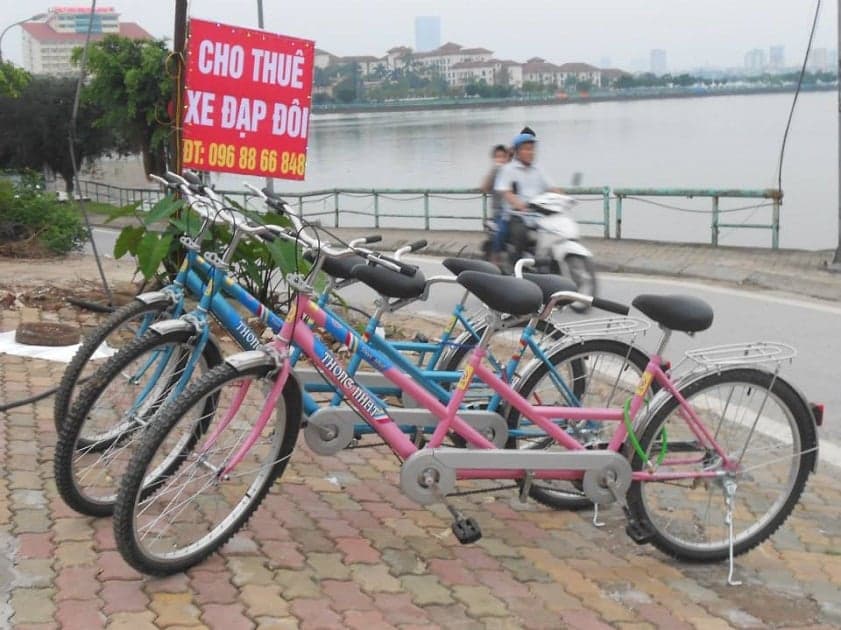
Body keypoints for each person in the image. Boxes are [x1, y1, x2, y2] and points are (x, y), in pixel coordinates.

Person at [492, 128, 562, 263]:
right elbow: (505, 191)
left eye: (532, 149)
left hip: (538, 215)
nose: (531, 152)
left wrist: (564, 199)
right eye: (526, 149)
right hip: (516, 215)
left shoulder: (539, 170)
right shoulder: (508, 170)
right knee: (521, 234)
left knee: (555, 232)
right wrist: (518, 204)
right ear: (517, 152)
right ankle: (515, 265)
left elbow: (552, 187)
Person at [480, 144, 511, 224]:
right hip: (498, 211)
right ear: (493, 159)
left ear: (507, 158)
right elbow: (484, 188)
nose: (501, 160)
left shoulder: (512, 171)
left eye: (503, 157)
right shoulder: (493, 171)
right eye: (498, 157)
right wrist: (494, 170)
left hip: (512, 211)